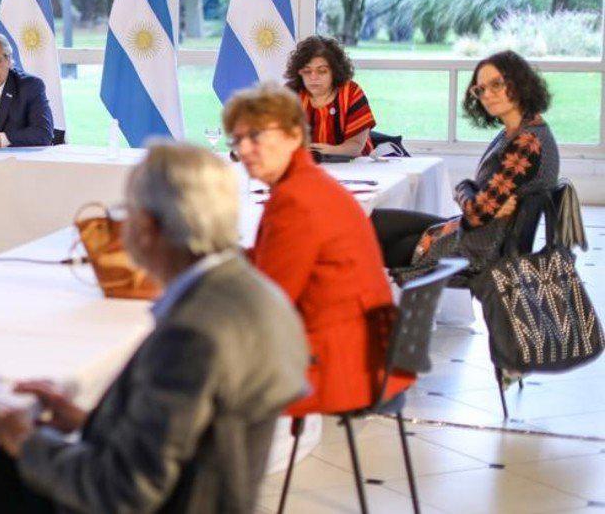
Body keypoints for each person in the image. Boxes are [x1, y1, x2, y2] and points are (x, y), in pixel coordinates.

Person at [0, 143, 308, 513]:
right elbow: (187, 441)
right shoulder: (255, 293)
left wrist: (28, 442)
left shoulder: (192, 335)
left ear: (147, 226)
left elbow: (125, 490)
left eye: (126, 210)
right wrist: (87, 421)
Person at [224, 82, 411, 416]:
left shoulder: (295, 200)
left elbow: (273, 300)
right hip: (370, 354)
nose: (246, 149)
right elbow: (273, 258)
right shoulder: (311, 182)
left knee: (200, 375)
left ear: (294, 135)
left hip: (342, 366)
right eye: (238, 141)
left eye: (256, 136)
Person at [371, 50, 560, 276]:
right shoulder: (522, 130)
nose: (487, 94)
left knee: (367, 243)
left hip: (478, 250)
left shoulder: (527, 144)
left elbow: (476, 215)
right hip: (475, 235)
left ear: (519, 83)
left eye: (496, 84)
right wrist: (474, 195)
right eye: (481, 89)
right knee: (371, 221)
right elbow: (479, 209)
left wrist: (462, 188)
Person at [284, 35, 376, 157]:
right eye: (307, 71)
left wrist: (325, 152)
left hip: (353, 164)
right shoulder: (290, 94)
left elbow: (356, 146)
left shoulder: (351, 92)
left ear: (335, 71)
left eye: (322, 71)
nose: (313, 77)